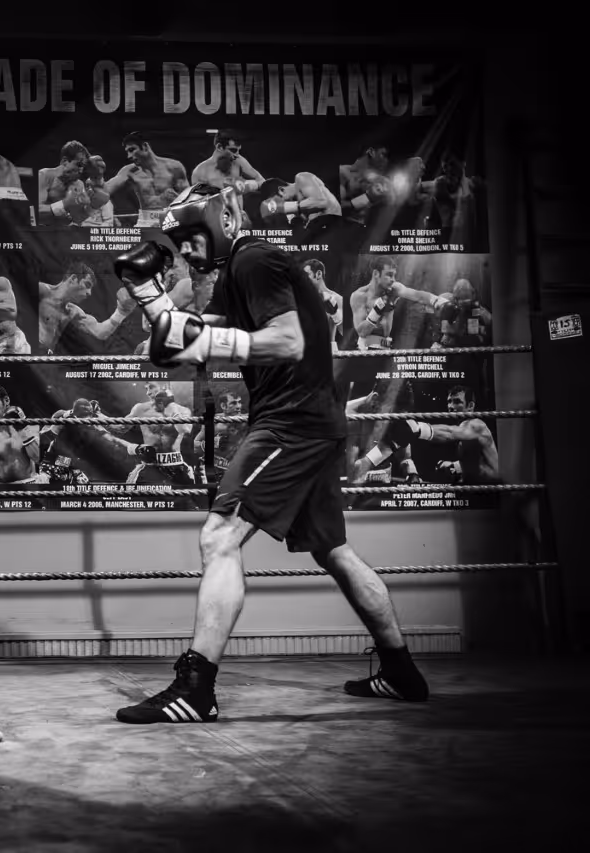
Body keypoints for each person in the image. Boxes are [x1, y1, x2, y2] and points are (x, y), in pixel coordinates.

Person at [109, 182, 430, 725]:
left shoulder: (253, 260)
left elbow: (287, 342)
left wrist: (204, 341)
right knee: (334, 550)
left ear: (225, 219)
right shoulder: (236, 277)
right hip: (311, 422)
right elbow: (178, 343)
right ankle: (401, 671)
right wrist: (148, 294)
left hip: (291, 424)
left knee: (219, 536)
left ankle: (196, 689)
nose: (186, 250)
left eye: (192, 236)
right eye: (179, 242)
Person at [353, 385, 500, 486]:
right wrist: (455, 466)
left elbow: (450, 433)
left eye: (457, 402)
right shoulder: (352, 418)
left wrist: (418, 429)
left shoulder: (477, 425)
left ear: (471, 406)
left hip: (490, 490)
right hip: (358, 492)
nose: (451, 407)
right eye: (449, 401)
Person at [350, 258, 449, 351]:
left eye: (394, 275)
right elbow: (362, 332)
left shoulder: (394, 289)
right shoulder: (359, 296)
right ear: (376, 273)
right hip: (364, 351)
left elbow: (418, 296)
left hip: (385, 349)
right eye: (389, 275)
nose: (393, 279)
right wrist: (377, 310)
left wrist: (436, 300)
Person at [102, 132, 190, 227]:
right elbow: (105, 191)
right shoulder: (129, 171)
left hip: (171, 220)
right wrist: (94, 177)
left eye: (132, 150)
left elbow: (190, 199)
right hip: (145, 222)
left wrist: (177, 198)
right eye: (127, 152)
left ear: (144, 146)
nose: (129, 156)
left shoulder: (174, 167)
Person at [189, 130, 266, 216]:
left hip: (239, 219)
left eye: (238, 150)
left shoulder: (238, 161)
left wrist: (249, 186)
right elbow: (197, 206)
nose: (237, 154)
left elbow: (262, 181)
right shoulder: (200, 172)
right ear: (219, 147)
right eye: (233, 150)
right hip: (215, 220)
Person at [301, 259, 343, 352]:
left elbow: (344, 331)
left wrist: (334, 313)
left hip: (328, 351)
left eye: (307, 275)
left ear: (318, 274)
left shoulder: (337, 299)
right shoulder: (300, 300)